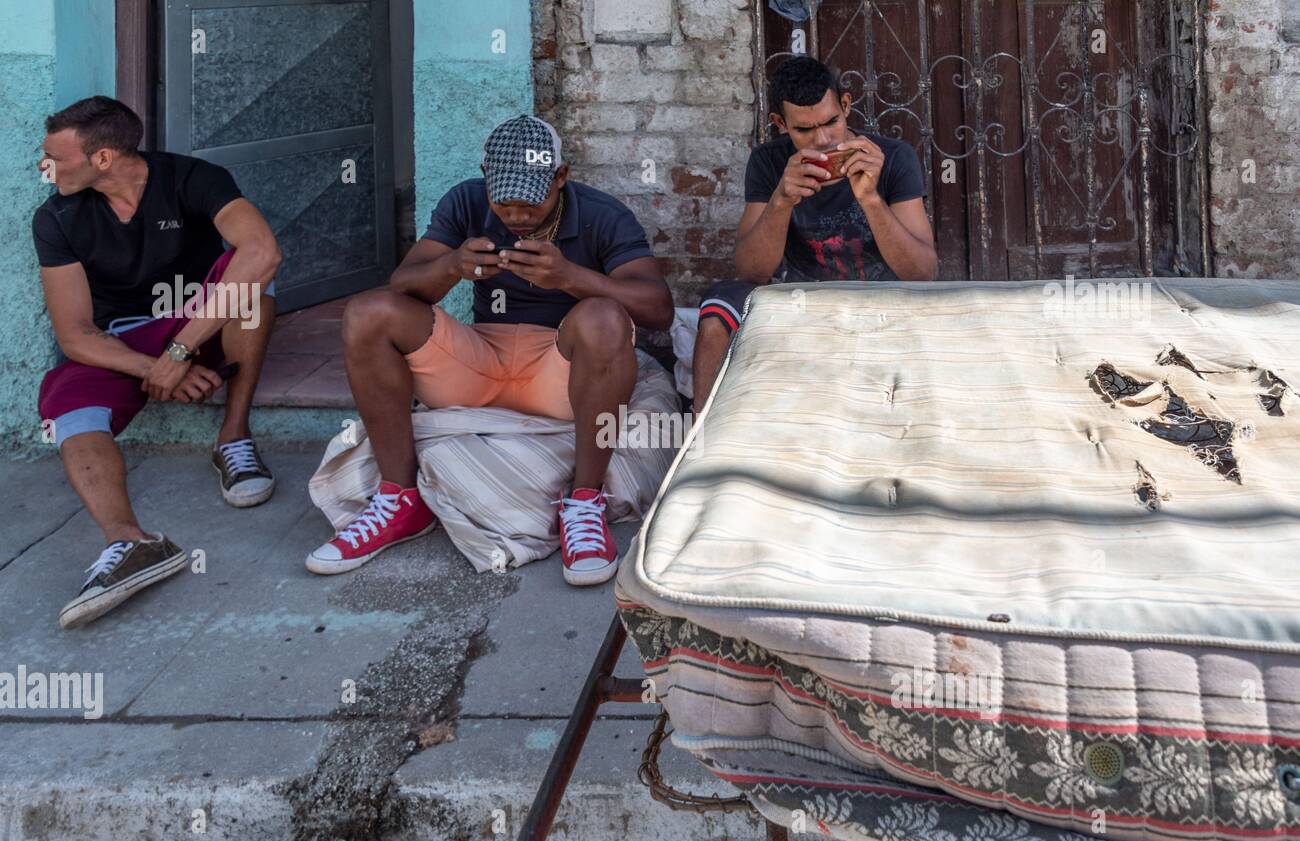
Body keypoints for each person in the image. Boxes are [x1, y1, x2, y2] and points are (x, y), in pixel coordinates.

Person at [306, 115, 674, 585]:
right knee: (367, 313)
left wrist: (570, 278)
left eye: (531, 203)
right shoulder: (466, 200)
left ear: (560, 178)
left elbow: (659, 309)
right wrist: (451, 266)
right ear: (485, 178)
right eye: (504, 202)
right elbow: (403, 284)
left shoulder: (602, 214)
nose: (517, 216)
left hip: (558, 372)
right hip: (480, 361)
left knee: (603, 317)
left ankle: (583, 503)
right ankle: (400, 500)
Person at [34, 96, 282, 628]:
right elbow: (75, 333)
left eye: (55, 157)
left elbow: (262, 252)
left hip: (197, 321)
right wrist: (154, 367)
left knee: (251, 298)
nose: (44, 168)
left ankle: (232, 439)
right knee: (65, 405)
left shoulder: (191, 178)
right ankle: (132, 543)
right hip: (122, 343)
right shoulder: (56, 216)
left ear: (103, 159)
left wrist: (179, 351)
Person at [692, 55, 938, 403]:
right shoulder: (770, 162)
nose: (822, 140)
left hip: (885, 301)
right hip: (802, 302)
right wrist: (781, 200)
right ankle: (701, 446)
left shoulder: (892, 157)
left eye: (831, 122)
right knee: (717, 307)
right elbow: (750, 271)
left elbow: (923, 272)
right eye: (804, 130)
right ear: (780, 123)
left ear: (846, 105)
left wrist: (869, 198)